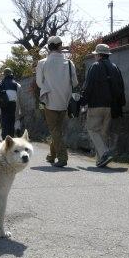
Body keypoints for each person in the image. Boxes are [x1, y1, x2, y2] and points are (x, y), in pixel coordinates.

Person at [80, 43, 126, 168]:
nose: (95, 57)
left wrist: (82, 101)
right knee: (103, 133)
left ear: (99, 55)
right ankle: (101, 160)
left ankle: (104, 153)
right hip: (111, 106)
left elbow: (88, 86)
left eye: (95, 55)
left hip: (96, 105)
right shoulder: (115, 67)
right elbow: (121, 87)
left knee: (92, 129)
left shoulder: (95, 66)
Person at [36, 36, 78, 167]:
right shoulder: (70, 63)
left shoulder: (42, 62)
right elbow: (75, 82)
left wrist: (48, 87)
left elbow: (38, 82)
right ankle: (51, 155)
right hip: (65, 101)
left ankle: (62, 157)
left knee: (54, 130)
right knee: (58, 130)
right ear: (60, 46)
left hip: (49, 100)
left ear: (49, 47)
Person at [0, 68, 21, 140]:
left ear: (4, 74)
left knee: (4, 121)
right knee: (11, 121)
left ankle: (4, 138)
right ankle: (11, 138)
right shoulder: (16, 84)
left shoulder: (1, 83)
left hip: (4, 104)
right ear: (11, 74)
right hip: (13, 104)